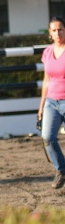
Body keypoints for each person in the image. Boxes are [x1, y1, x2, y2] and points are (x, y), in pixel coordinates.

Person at [38, 17, 65, 188]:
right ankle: (61, 170)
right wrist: (41, 107)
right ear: (49, 33)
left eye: (60, 29)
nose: (57, 33)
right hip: (51, 102)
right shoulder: (47, 52)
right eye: (54, 30)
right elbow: (46, 80)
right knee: (47, 137)